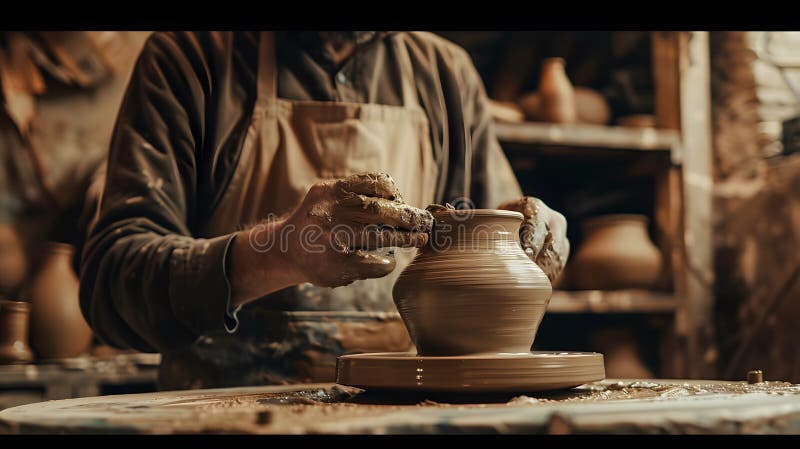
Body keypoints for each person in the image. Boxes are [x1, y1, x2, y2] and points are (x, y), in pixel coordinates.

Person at [79, 31, 570, 390]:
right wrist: (280, 254)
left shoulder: (446, 75)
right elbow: (111, 284)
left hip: (406, 416)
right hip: (221, 417)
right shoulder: (193, 57)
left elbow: (501, 246)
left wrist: (531, 241)